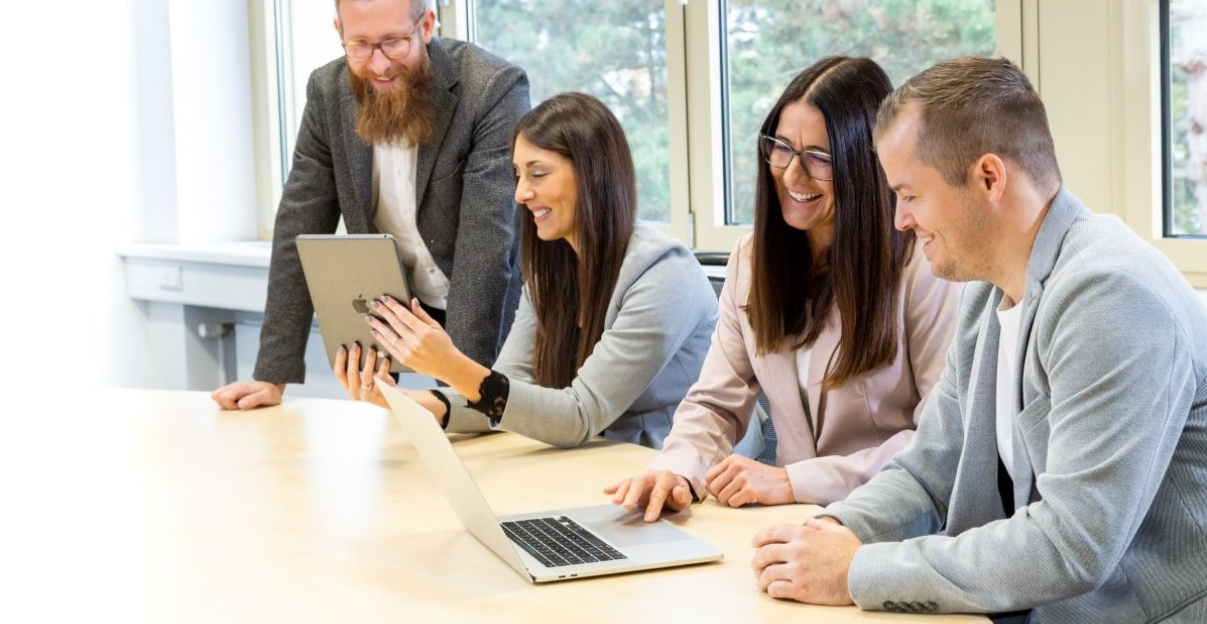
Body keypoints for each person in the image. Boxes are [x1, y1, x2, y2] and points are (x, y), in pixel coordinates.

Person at [750, 56, 1207, 622]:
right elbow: (929, 470)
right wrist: (831, 532)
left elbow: (1073, 543)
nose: (898, 220)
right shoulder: (988, 293)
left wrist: (856, 571)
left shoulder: (1110, 295)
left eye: (910, 195)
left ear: (989, 178)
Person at [605, 56, 961, 520]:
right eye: (782, 148)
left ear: (863, 166)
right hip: (791, 522)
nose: (792, 175)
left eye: (818, 157)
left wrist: (795, 481)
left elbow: (941, 441)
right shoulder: (752, 260)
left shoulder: (924, 267)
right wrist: (676, 468)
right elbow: (715, 402)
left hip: (895, 522)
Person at [211, 0, 530, 411]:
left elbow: (488, 244)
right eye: (360, 45)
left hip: (496, 311)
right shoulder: (327, 92)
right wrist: (272, 375)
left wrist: (462, 393)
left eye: (394, 42)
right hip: (398, 309)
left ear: (426, 26)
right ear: (339, 33)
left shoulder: (490, 88)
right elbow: (299, 228)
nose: (379, 65)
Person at [335, 92, 717, 449]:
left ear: (592, 174)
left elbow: (578, 415)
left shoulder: (662, 273)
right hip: (598, 461)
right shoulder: (551, 270)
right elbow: (505, 397)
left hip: (677, 473)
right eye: (518, 174)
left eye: (538, 173)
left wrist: (449, 364)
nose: (520, 193)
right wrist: (394, 398)